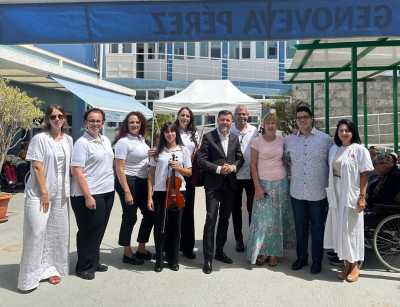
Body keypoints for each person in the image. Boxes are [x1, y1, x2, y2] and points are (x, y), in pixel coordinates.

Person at [18, 105, 73, 292]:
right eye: (53, 116)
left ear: (64, 118)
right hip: (39, 193)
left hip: (61, 194)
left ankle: (51, 269)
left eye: (60, 115)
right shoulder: (39, 139)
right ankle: (29, 278)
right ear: (48, 120)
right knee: (36, 232)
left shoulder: (69, 140)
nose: (57, 119)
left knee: (57, 233)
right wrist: (44, 192)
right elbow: (37, 166)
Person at [324, 119, 373, 282]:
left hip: (351, 193)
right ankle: (346, 263)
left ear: (353, 132)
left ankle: (355, 266)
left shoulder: (360, 150)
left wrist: (362, 197)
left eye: (347, 130)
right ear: (337, 133)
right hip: (336, 192)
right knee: (339, 229)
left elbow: (364, 174)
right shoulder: (334, 149)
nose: (344, 133)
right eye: (341, 130)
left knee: (351, 230)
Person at [284, 105, 332, 274]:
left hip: (318, 192)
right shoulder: (289, 140)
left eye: (305, 117)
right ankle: (301, 258)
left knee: (317, 228)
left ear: (311, 119)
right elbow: (285, 162)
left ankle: (317, 260)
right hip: (297, 192)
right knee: (300, 227)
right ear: (296, 121)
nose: (302, 120)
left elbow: (333, 163)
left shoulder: (325, 140)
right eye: (299, 118)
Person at [70, 108, 115, 280]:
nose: (95, 123)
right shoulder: (82, 143)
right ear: (85, 123)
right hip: (88, 193)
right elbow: (77, 171)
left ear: (103, 123)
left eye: (98, 121)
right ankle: (83, 267)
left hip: (106, 191)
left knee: (99, 229)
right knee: (88, 230)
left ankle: (94, 262)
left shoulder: (104, 140)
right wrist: (88, 196)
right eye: (91, 120)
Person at [197, 110, 244, 274]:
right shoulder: (208, 137)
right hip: (213, 185)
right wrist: (218, 169)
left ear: (231, 122)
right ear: (217, 120)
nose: (225, 123)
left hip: (229, 185)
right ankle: (207, 259)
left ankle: (219, 252)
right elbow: (201, 160)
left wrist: (233, 167)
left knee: (225, 219)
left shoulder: (234, 137)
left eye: (228, 120)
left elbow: (240, 158)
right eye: (222, 120)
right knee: (211, 219)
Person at [246, 111, 294, 266]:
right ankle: (261, 251)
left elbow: (288, 160)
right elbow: (252, 165)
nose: (271, 126)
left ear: (276, 125)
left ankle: (273, 253)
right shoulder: (256, 142)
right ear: (263, 125)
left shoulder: (282, 140)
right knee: (262, 221)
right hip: (263, 185)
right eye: (268, 123)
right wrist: (257, 187)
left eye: (274, 123)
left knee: (276, 221)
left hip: (280, 184)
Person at [147, 122, 192, 272]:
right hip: (160, 192)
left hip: (178, 192)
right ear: (163, 134)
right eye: (166, 132)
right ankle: (159, 260)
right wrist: (149, 196)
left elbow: (189, 172)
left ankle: (173, 260)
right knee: (160, 227)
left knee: (175, 227)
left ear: (176, 133)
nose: (170, 134)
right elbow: (151, 175)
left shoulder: (183, 150)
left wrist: (178, 167)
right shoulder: (157, 151)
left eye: (172, 131)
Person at [114, 111, 154, 265]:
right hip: (129, 181)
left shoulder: (141, 139)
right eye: (131, 122)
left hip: (143, 181)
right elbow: (119, 169)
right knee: (130, 217)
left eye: (137, 122)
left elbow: (143, 158)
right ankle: (127, 252)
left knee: (150, 214)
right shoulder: (123, 142)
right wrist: (126, 191)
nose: (135, 125)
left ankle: (141, 248)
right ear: (127, 124)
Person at [230, 105, 257, 252]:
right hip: (234, 175)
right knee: (236, 209)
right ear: (235, 116)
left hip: (251, 175)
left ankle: (253, 239)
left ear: (248, 115)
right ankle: (238, 239)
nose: (242, 116)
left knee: (253, 208)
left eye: (244, 114)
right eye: (239, 114)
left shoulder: (255, 131)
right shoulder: (230, 129)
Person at [175, 106, 199, 259]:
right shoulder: (171, 130)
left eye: (188, 116)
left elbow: (197, 152)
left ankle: (187, 247)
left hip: (189, 174)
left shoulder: (194, 134)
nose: (185, 118)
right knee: (175, 211)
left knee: (188, 212)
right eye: (182, 115)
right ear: (178, 116)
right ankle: (172, 245)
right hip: (174, 173)